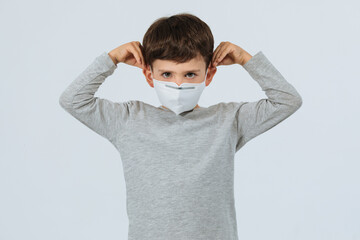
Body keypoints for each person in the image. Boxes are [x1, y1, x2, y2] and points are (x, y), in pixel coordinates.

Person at [59, 13, 302, 240]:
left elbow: (287, 101)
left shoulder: (228, 121)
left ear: (208, 75)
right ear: (148, 75)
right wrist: (111, 59)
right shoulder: (129, 120)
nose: (177, 84)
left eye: (189, 74)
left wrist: (245, 59)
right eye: (166, 74)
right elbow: (73, 100)